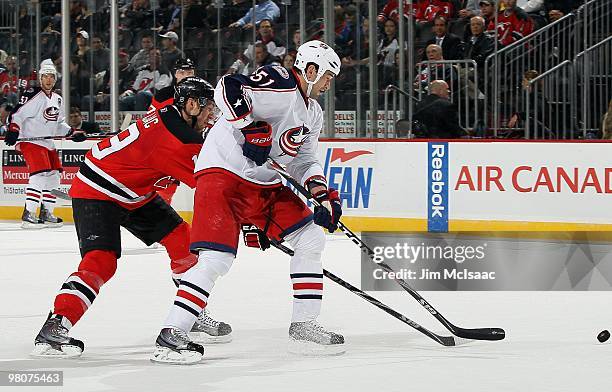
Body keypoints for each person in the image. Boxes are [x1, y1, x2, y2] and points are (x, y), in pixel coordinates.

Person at [152, 40, 345, 365]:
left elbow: (304, 160)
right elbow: (227, 88)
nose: (328, 84)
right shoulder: (281, 83)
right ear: (311, 71)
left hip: (261, 183)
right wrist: (250, 126)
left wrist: (323, 194)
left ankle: (303, 326)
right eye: (327, 76)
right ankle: (173, 332)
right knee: (216, 259)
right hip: (223, 171)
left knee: (310, 237)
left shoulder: (313, 113)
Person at [31, 77, 231, 359]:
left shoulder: (174, 117)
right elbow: (212, 186)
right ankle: (56, 326)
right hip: (96, 190)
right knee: (101, 262)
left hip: (131, 190)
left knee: (182, 240)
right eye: (208, 106)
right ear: (190, 105)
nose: (212, 113)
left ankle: (191, 312)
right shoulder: (178, 140)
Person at [4, 60, 87, 229]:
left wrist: (72, 132)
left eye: (51, 76)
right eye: (45, 76)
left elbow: (59, 124)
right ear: (40, 78)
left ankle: (46, 212)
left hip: (47, 143)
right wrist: (13, 130)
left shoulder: (57, 99)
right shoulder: (33, 94)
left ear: (55, 79)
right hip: (30, 141)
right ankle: (29, 215)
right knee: (40, 175)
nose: (48, 79)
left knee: (54, 175)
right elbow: (17, 114)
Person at [148, 57, 197, 205]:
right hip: (167, 146)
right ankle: (159, 213)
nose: (187, 75)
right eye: (182, 72)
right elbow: (151, 119)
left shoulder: (202, 91)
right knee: (165, 184)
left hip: (192, 143)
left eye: (190, 71)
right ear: (175, 74)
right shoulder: (164, 94)